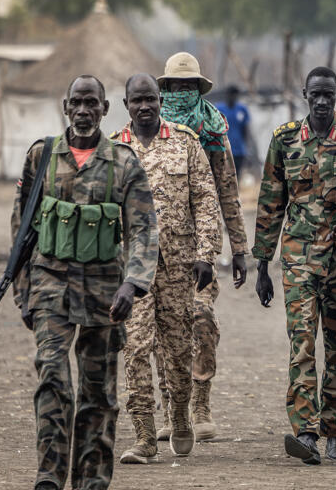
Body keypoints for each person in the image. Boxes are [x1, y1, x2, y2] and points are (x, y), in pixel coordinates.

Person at [12, 75, 158, 490]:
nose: (83, 111)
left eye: (91, 103)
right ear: (65, 106)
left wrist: (133, 284)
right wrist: (24, 291)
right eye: (76, 102)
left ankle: (92, 480)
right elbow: (21, 227)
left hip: (104, 292)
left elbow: (145, 229)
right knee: (53, 379)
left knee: (99, 394)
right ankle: (49, 477)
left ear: (105, 108)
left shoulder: (124, 163)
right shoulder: (41, 156)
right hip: (50, 286)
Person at [253, 66, 336, 464]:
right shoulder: (285, 139)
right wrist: (262, 264)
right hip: (299, 260)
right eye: (315, 94)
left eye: (329, 94)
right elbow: (271, 202)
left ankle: (335, 432)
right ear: (304, 94)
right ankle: (305, 432)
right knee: (302, 344)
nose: (322, 101)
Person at [114, 73, 221, 464]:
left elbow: (206, 200)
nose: (144, 106)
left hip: (180, 266)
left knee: (178, 349)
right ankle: (143, 434)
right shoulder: (114, 150)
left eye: (150, 99)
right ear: (126, 104)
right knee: (136, 347)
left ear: (160, 100)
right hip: (133, 274)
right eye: (136, 100)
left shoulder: (185, 143)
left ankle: (179, 413)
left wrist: (207, 254)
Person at [155, 52, 248, 442]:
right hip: (157, 249)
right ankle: (170, 410)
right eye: (175, 86)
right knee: (163, 329)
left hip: (202, 250)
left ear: (197, 89)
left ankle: (201, 405)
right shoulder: (147, 129)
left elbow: (228, 191)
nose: (181, 92)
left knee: (201, 320)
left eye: (188, 86)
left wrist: (240, 247)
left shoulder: (213, 130)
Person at [214, 85, 251, 179]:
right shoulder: (219, 109)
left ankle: (236, 193)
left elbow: (245, 130)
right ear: (227, 95)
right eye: (231, 95)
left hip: (238, 149)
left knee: (237, 176)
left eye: (235, 95)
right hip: (223, 148)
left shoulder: (242, 109)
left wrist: (246, 147)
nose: (233, 97)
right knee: (224, 176)